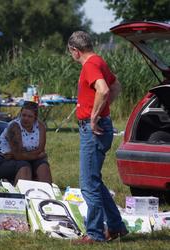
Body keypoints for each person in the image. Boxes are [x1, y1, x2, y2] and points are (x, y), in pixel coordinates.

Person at [67, 31, 127, 244]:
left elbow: (103, 89)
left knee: (88, 184)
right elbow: (115, 85)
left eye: (71, 52)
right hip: (102, 126)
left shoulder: (89, 65)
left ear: (75, 50)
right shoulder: (99, 60)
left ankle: (94, 234)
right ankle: (116, 226)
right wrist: (103, 108)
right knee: (95, 181)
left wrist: (94, 116)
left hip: (94, 130)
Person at [0, 101, 52, 185]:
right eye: (24, 115)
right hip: (1, 160)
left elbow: (41, 151)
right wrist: (35, 155)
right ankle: (21, 196)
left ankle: (46, 195)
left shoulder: (40, 126)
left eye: (30, 116)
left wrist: (19, 155)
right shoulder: (14, 127)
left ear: (35, 118)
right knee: (24, 166)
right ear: (20, 114)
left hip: (23, 159)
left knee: (43, 166)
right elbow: (20, 155)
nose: (26, 118)